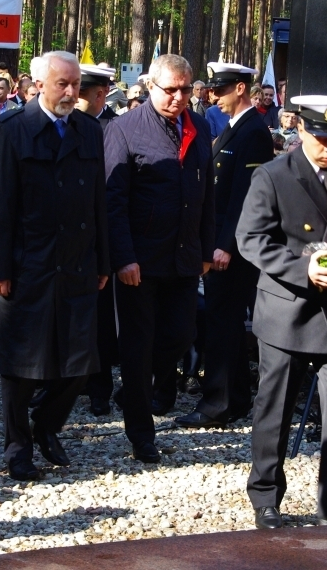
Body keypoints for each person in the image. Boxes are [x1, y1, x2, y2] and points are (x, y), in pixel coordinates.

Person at [237, 95, 327, 529]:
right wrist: (303, 268)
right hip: (288, 308)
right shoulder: (273, 176)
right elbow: (251, 239)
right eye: (321, 138)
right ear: (300, 131)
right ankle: (265, 497)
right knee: (274, 406)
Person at [0, 51, 110, 479]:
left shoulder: (90, 131)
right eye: (62, 84)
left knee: (80, 360)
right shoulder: (13, 130)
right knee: (20, 363)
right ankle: (17, 447)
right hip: (27, 263)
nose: (72, 93)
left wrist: (103, 260)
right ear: (38, 85)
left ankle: (47, 425)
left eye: (75, 84)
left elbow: (98, 204)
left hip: (76, 262)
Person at [104, 54, 214, 462]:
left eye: (187, 89)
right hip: (141, 261)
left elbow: (207, 196)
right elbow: (112, 200)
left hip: (184, 257)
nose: (180, 97)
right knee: (137, 346)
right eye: (171, 90)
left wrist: (205, 246)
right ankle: (141, 433)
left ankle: (138, 389)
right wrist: (123, 257)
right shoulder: (124, 129)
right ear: (151, 87)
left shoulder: (199, 127)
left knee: (181, 336)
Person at [176, 63, 273, 429]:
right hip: (221, 242)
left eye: (219, 89)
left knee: (222, 323)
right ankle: (235, 397)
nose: (212, 96)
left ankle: (217, 402)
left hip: (231, 248)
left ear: (241, 88)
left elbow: (245, 197)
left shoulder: (254, 132)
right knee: (225, 322)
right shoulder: (236, 128)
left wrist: (226, 244)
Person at [77, 64, 121, 416]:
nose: (73, 100)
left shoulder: (114, 128)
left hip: (100, 235)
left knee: (101, 319)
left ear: (99, 94)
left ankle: (99, 386)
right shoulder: (66, 124)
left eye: (82, 94)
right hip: (67, 238)